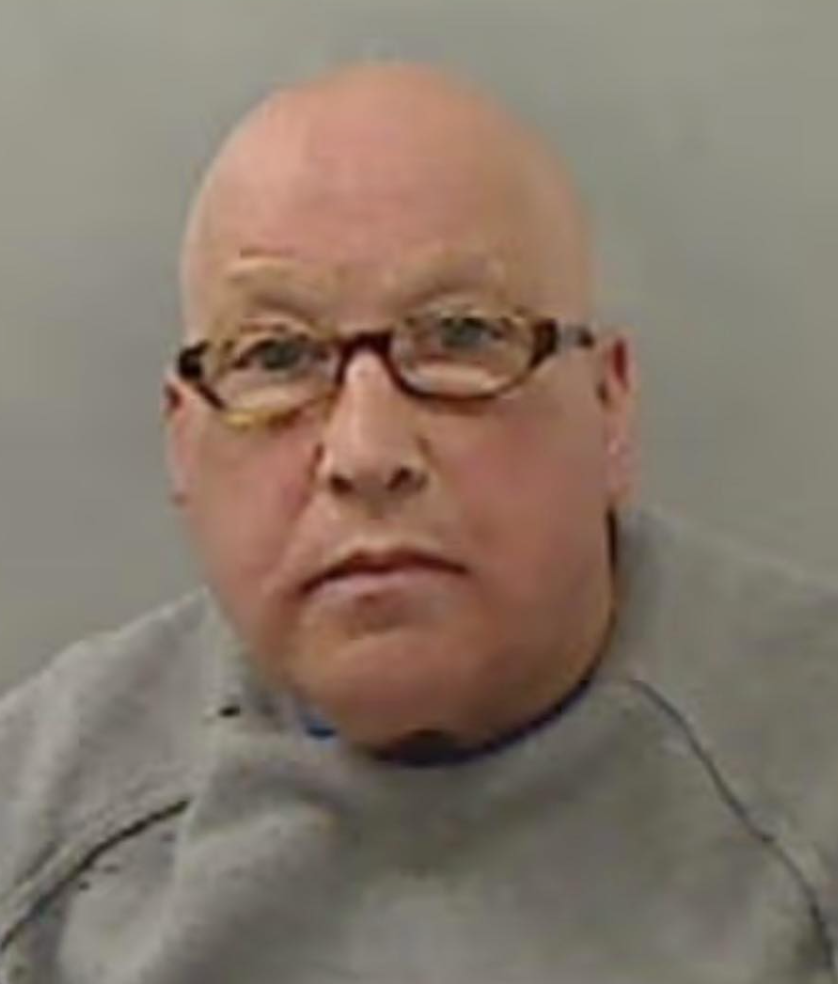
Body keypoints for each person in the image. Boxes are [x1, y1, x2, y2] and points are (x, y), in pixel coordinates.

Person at [0, 62, 836, 983]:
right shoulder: (37, 843)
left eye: (463, 336)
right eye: (275, 356)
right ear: (181, 440)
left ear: (609, 406)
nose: (367, 452)